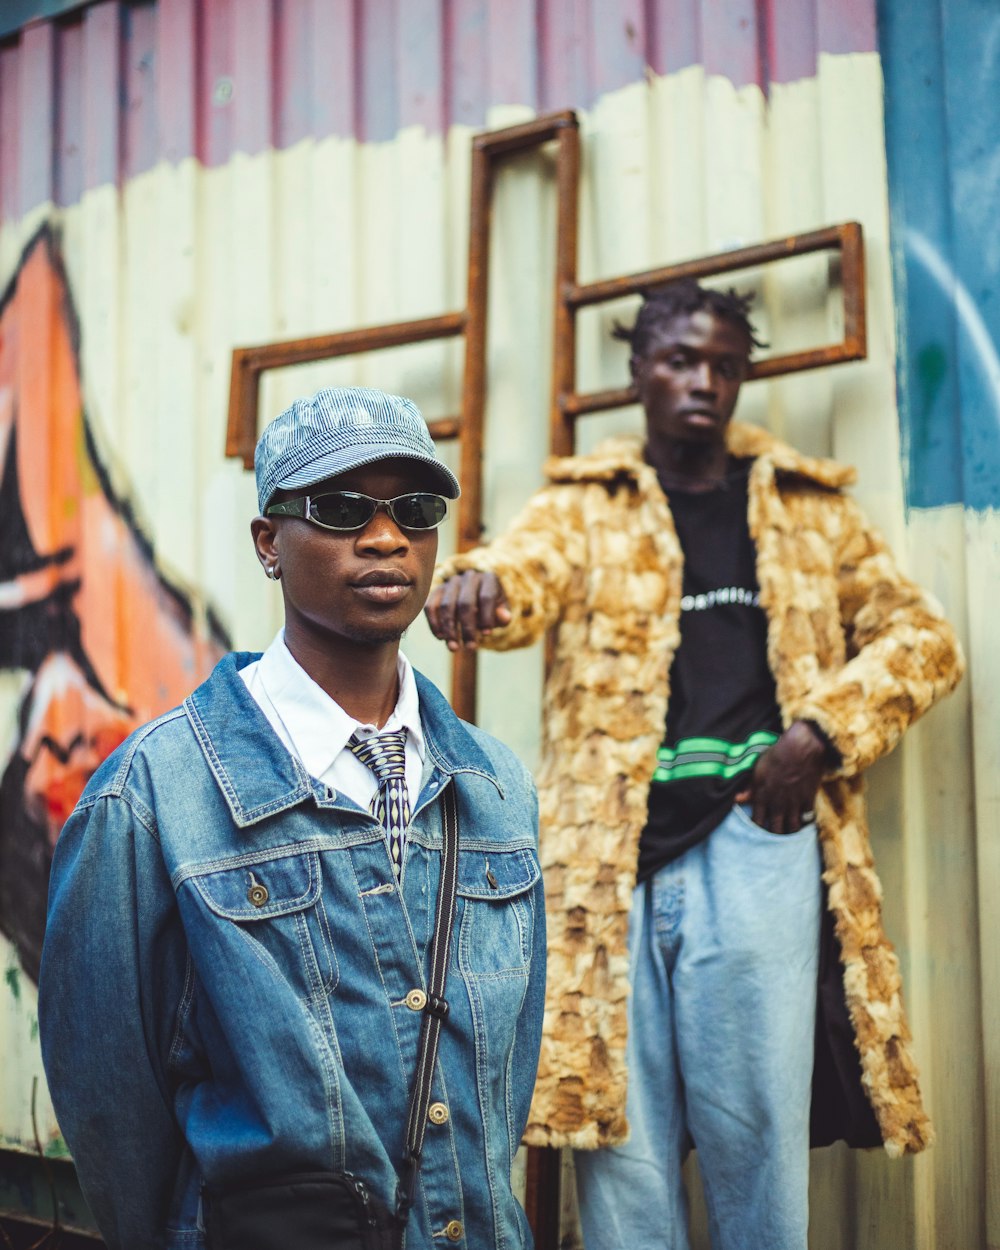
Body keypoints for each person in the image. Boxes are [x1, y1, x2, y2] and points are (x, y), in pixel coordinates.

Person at [425, 281, 964, 1250]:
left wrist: (818, 736)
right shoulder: (585, 504)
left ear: (742, 375)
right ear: (638, 371)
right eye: (678, 359)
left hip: (756, 840)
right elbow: (524, 569)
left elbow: (920, 638)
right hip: (606, 862)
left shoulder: (808, 509)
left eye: (722, 363)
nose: (700, 381)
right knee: (620, 1135)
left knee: (754, 1123)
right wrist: (481, 582)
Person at [39, 387, 545, 1250]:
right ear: (270, 543)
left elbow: (502, 1086)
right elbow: (111, 1103)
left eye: (415, 511)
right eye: (342, 508)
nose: (386, 538)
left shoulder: (493, 786)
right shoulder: (155, 793)